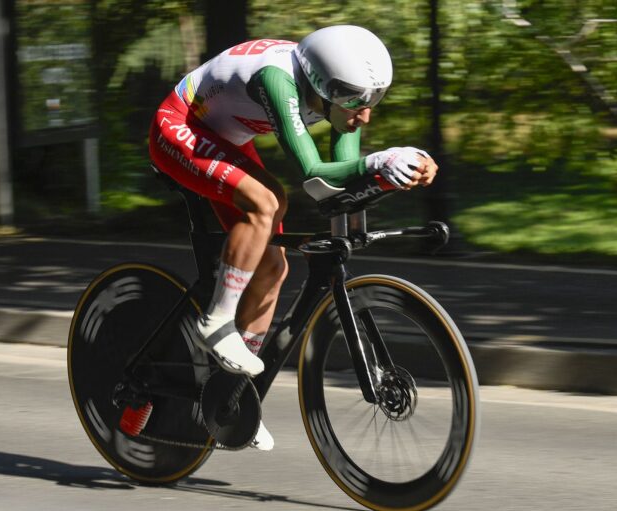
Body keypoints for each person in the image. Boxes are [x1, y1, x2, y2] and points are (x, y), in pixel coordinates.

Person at [148, 25, 438, 450]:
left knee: (273, 266)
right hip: (179, 126)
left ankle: (232, 393)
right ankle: (215, 321)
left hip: (226, 136)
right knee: (268, 203)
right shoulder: (276, 79)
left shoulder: (340, 89)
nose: (366, 114)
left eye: (374, 99)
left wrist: (402, 172)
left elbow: (337, 186)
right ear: (324, 87)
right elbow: (313, 173)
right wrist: (381, 160)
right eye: (357, 102)